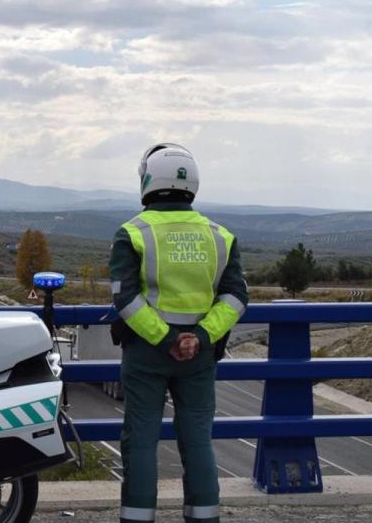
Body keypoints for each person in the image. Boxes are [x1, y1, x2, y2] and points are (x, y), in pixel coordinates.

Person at [108, 143, 248, 523]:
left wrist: (166, 339)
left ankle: (137, 517)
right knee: (198, 441)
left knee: (140, 442)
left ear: (149, 180)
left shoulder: (133, 233)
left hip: (146, 354)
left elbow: (125, 299)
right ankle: (204, 516)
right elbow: (236, 297)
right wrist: (199, 336)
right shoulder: (221, 236)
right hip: (200, 356)